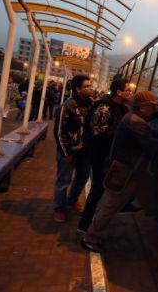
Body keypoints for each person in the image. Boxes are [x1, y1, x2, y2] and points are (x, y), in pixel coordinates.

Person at [81, 91, 158, 252]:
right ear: (143, 108)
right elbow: (150, 145)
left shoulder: (133, 118)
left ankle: (93, 233)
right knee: (110, 206)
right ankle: (90, 237)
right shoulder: (136, 122)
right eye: (152, 107)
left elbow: (149, 134)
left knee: (110, 204)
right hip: (124, 172)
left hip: (127, 170)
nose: (154, 110)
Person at [77, 78, 131, 232]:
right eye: (127, 90)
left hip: (110, 154)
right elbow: (98, 131)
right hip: (100, 155)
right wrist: (120, 134)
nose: (130, 92)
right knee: (97, 189)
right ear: (118, 92)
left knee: (104, 188)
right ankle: (84, 224)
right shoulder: (105, 107)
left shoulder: (123, 107)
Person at [53, 75, 94, 223]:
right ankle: (59, 208)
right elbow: (59, 131)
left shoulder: (92, 104)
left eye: (90, 85)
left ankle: (71, 201)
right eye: (87, 86)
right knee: (64, 180)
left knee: (82, 178)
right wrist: (66, 153)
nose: (91, 88)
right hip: (69, 151)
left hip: (85, 151)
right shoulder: (68, 105)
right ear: (78, 89)